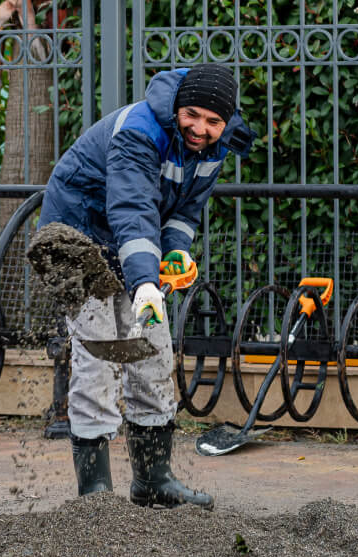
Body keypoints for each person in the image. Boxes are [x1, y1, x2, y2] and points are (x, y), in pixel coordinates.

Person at [37, 64, 254, 509]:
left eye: (213, 122)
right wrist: (144, 282)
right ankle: (95, 496)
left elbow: (183, 211)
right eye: (192, 115)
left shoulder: (214, 146)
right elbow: (133, 209)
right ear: (177, 107)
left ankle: (153, 481)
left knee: (151, 351)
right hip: (77, 238)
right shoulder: (138, 131)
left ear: (226, 121)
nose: (200, 129)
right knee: (99, 354)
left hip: (132, 244)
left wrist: (175, 253)